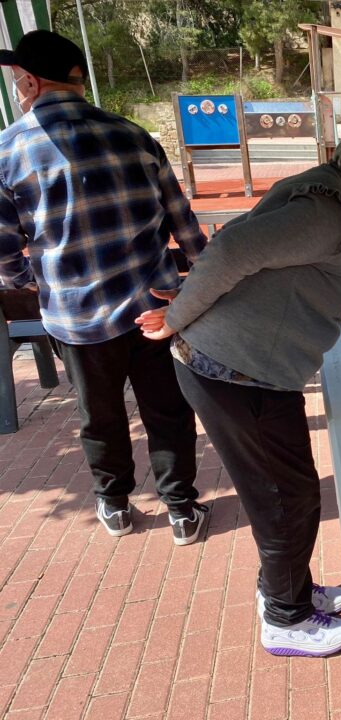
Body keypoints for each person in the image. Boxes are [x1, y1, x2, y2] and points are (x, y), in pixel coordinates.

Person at [135, 98, 341, 659]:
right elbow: (231, 249)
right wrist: (179, 315)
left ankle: (291, 591)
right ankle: (286, 619)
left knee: (289, 493)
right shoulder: (325, 212)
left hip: (242, 368)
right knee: (287, 499)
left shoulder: (327, 189)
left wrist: (194, 301)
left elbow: (246, 253)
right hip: (238, 374)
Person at [0, 31, 208, 543]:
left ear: (28, 81)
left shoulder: (7, 151)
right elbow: (186, 229)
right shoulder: (135, 135)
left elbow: (6, 255)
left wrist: (42, 284)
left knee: (100, 414)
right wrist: (196, 285)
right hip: (155, 307)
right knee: (167, 410)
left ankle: (114, 504)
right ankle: (181, 508)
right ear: (79, 79)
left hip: (76, 318)